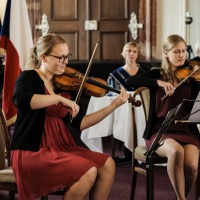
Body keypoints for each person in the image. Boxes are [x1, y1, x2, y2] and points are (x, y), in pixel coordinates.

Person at [10, 33, 129, 200]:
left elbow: (80, 123)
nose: (65, 62)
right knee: (88, 171)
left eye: (67, 56)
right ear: (44, 57)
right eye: (60, 57)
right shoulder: (29, 77)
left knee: (107, 164)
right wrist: (57, 99)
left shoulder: (64, 85)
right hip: (32, 150)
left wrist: (113, 106)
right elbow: (20, 99)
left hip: (60, 147)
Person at [126, 34, 200, 200]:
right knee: (175, 151)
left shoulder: (191, 77)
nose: (181, 55)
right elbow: (130, 80)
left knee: (193, 166)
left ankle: (180, 197)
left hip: (186, 131)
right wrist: (158, 83)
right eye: (176, 51)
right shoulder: (156, 74)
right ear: (166, 53)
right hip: (160, 131)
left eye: (183, 51)